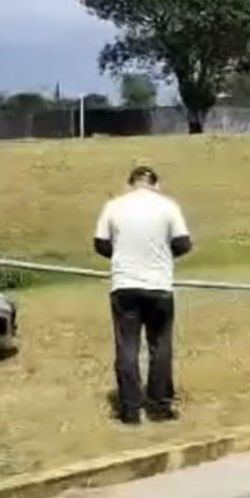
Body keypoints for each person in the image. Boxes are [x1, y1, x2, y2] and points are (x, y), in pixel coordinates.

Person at [93, 166, 193, 425]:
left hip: (124, 284)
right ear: (155, 184)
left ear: (130, 184)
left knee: (127, 346)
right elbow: (183, 243)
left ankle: (130, 408)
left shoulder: (113, 206)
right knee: (160, 346)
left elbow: (101, 244)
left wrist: (122, 253)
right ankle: (159, 406)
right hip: (159, 284)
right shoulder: (168, 206)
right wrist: (161, 254)